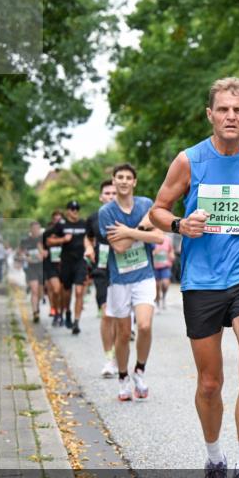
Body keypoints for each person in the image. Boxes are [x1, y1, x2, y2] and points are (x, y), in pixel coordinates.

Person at [149, 76, 239, 478]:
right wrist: (179, 225)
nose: (230, 116)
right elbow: (157, 210)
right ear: (210, 114)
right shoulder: (189, 161)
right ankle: (214, 464)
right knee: (210, 383)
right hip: (202, 281)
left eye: (238, 110)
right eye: (223, 109)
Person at [99, 163, 163, 401]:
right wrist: (139, 229)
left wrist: (128, 231)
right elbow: (119, 246)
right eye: (120, 177)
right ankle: (123, 378)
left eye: (128, 177)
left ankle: (140, 371)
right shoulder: (106, 212)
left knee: (144, 326)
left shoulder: (146, 205)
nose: (124, 181)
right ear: (113, 181)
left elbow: (158, 237)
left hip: (144, 276)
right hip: (119, 280)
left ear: (134, 182)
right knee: (124, 333)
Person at [87, 179, 119, 377]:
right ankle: (109, 359)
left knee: (119, 317)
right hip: (102, 269)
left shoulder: (127, 215)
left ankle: (119, 356)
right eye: (107, 193)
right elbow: (87, 236)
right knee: (107, 314)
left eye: (114, 193)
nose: (111, 196)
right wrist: (89, 247)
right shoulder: (93, 218)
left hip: (125, 269)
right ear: (101, 197)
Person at [48, 200, 92, 335]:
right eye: (72, 209)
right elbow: (49, 240)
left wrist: (90, 250)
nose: (75, 211)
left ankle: (76, 322)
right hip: (66, 262)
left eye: (77, 208)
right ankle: (67, 311)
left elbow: (90, 239)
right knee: (66, 293)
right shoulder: (61, 225)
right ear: (67, 211)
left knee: (79, 291)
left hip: (80, 262)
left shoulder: (84, 224)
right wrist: (62, 240)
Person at [18, 222, 45, 322]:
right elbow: (19, 254)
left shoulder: (43, 239)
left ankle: (37, 306)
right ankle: (35, 313)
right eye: (33, 228)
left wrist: (41, 252)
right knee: (34, 289)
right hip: (30, 267)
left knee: (40, 292)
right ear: (30, 229)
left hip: (41, 267)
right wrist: (25, 257)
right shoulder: (25, 241)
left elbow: (46, 253)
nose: (35, 230)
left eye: (37, 228)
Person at [42, 210, 64, 326]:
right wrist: (43, 251)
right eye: (55, 220)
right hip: (51, 265)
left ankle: (61, 312)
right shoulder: (47, 233)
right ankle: (56, 312)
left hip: (64, 264)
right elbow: (40, 245)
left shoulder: (66, 232)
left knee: (63, 292)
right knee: (55, 289)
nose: (57, 223)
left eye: (60, 220)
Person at [152, 231, 175, 310]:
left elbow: (171, 250)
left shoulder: (168, 239)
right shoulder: (152, 238)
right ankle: (157, 301)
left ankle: (164, 297)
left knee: (165, 284)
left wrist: (172, 255)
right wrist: (154, 253)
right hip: (155, 266)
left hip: (165, 265)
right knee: (157, 286)